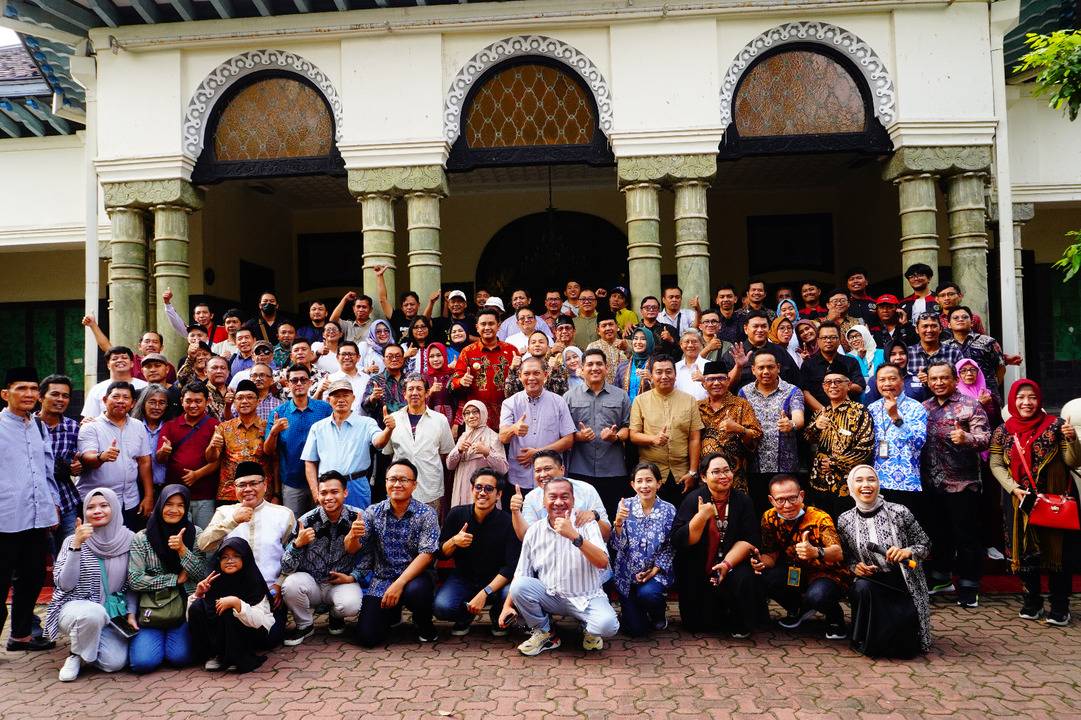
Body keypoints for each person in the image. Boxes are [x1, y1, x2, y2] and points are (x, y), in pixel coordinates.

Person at [990, 380, 1081, 625]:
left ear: (1039, 400)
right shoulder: (1003, 431)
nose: (1026, 402)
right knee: (1024, 552)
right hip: (1019, 501)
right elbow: (996, 464)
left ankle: (1060, 606)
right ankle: (1032, 601)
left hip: (1054, 499)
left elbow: (1073, 462)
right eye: (1020, 398)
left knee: (1057, 553)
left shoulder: (1057, 426)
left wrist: (1073, 440)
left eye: (1031, 397)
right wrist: (1013, 488)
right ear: (1012, 400)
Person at [499, 477, 619, 655]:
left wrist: (574, 536)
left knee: (607, 626)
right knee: (519, 586)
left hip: (586, 597)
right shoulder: (534, 530)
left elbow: (603, 562)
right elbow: (521, 573)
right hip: (550, 595)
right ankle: (545, 633)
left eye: (564, 497)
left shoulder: (587, 524)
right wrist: (507, 606)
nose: (558, 502)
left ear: (573, 500)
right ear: (543, 501)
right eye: (552, 497)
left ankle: (589, 630)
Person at [837, 465, 932, 657]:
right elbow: (845, 556)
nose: (866, 485)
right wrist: (855, 567)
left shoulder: (899, 512)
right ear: (850, 486)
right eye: (859, 480)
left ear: (879, 484)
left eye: (871, 479)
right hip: (873, 584)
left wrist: (906, 551)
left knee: (905, 648)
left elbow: (925, 544)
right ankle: (862, 636)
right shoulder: (844, 520)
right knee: (861, 588)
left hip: (903, 583)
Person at [346, 458, 440, 646]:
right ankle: (392, 614)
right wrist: (352, 536)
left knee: (417, 592)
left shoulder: (426, 513)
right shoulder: (373, 512)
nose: (397, 484)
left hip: (415, 577)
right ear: (386, 482)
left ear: (414, 485)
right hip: (383, 578)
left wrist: (399, 584)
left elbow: (427, 554)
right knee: (366, 638)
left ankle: (423, 622)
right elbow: (352, 549)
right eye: (392, 479)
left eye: (404, 480)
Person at [196, 461, 295, 637]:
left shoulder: (283, 514)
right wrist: (233, 521)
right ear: (234, 488)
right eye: (242, 485)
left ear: (265, 484)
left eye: (254, 483)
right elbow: (203, 544)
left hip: (269, 594)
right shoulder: (224, 512)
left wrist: (280, 582)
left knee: (270, 637)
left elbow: (294, 553)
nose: (248, 489)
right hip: (231, 593)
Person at [45, 488, 134, 681]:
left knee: (114, 663)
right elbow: (64, 584)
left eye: (104, 505)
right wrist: (77, 545)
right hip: (75, 608)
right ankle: (75, 655)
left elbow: (133, 584)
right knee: (93, 613)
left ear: (115, 507)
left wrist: (131, 612)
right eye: (91, 507)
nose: (97, 511)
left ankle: (86, 642)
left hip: (112, 614)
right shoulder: (72, 540)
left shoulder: (129, 540)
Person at [921, 361, 990, 607]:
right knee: (938, 534)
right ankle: (941, 577)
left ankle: (969, 585)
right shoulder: (924, 407)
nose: (938, 382)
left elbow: (985, 438)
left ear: (955, 380)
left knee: (966, 537)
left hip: (963, 483)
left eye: (944, 378)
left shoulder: (971, 405)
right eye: (934, 378)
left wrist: (966, 437)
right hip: (932, 484)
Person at [1, 367, 59, 652]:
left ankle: (21, 635)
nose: (29, 394)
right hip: (5, 518)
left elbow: (46, 469)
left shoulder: (38, 426)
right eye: (21, 388)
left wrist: (53, 503)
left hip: (37, 517)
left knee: (33, 575)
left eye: (34, 389)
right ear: (5, 394)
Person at [670, 454, 760, 638]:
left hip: (732, 563)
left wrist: (726, 564)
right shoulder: (693, 499)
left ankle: (740, 620)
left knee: (745, 577)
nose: (723, 476)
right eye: (716, 472)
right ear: (704, 477)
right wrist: (701, 517)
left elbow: (749, 539)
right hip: (700, 567)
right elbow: (679, 541)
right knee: (698, 625)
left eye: (727, 470)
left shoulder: (742, 501)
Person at [754, 474, 849, 640]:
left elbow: (837, 553)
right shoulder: (769, 517)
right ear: (771, 500)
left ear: (802, 496)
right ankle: (798, 609)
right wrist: (758, 562)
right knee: (763, 577)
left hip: (826, 573)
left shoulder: (820, 517)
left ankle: (835, 617)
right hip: (795, 571)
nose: (787, 505)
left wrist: (816, 552)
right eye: (780, 500)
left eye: (792, 498)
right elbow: (771, 555)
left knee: (818, 596)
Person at [126, 485, 209, 673]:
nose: (174, 509)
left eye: (180, 505)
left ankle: (171, 643)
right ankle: (157, 643)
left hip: (183, 608)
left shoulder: (195, 533)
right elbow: (135, 580)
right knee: (142, 663)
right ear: (160, 504)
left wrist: (182, 550)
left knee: (180, 657)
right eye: (169, 504)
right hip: (153, 609)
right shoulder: (142, 538)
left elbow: (200, 575)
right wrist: (174, 580)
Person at [434, 468, 521, 637]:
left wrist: (484, 593)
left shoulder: (508, 521)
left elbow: (511, 567)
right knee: (442, 607)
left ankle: (498, 615)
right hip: (463, 577)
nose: (482, 492)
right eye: (478, 487)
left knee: (513, 593)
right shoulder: (456, 514)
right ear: (472, 489)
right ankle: (466, 614)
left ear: (498, 494)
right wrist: (454, 541)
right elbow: (441, 554)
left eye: (489, 489)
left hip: (497, 581)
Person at [280, 472, 363, 645]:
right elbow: (286, 567)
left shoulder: (358, 518)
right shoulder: (306, 521)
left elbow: (369, 556)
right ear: (317, 495)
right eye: (323, 493)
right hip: (312, 583)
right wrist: (297, 545)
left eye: (334, 492)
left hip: (341, 582)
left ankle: (335, 615)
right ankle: (305, 624)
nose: (329, 497)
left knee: (352, 604)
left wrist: (353, 576)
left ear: (345, 493)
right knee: (290, 585)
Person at [188, 536, 274, 673]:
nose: (229, 561)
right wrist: (198, 594)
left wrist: (237, 603)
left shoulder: (253, 581)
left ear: (244, 558)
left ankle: (238, 657)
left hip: (253, 633)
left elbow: (259, 622)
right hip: (222, 635)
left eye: (236, 556)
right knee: (197, 606)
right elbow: (191, 618)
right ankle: (215, 655)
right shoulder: (215, 582)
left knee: (229, 610)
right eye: (224, 557)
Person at [610, 462, 676, 636]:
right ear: (633, 485)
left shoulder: (669, 510)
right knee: (636, 630)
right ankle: (634, 612)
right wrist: (618, 523)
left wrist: (655, 570)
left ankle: (657, 613)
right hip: (627, 574)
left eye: (649, 480)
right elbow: (617, 546)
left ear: (658, 483)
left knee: (649, 595)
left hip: (654, 572)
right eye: (639, 481)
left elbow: (670, 546)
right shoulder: (625, 506)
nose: (644, 486)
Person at [78, 381, 155, 529]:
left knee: (127, 540)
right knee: (97, 541)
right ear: (105, 400)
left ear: (132, 403)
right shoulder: (90, 427)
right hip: (97, 503)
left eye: (126, 397)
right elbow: (86, 458)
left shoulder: (138, 426)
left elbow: (144, 462)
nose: (120, 401)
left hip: (130, 500)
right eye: (116, 396)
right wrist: (101, 457)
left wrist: (148, 496)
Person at [375, 374, 455, 515]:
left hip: (430, 489)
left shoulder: (440, 420)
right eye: (410, 389)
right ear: (404, 394)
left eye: (419, 389)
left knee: (430, 526)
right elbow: (388, 453)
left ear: (427, 393)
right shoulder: (393, 419)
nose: (415, 393)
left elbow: (446, 453)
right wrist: (388, 429)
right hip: (399, 489)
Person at [630, 354, 703, 507]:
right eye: (659, 372)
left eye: (669, 372)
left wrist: (692, 472)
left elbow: (694, 438)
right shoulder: (640, 401)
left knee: (682, 516)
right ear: (651, 375)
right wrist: (653, 439)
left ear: (675, 375)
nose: (664, 376)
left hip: (682, 473)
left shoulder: (689, 401)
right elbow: (633, 435)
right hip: (651, 475)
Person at [565, 348, 631, 517]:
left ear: (606, 368)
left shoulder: (621, 396)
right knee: (580, 518)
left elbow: (627, 427)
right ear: (582, 368)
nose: (595, 368)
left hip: (613, 470)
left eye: (599, 364)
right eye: (590, 364)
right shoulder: (569, 397)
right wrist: (578, 436)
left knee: (611, 516)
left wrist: (615, 437)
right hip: (580, 469)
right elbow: (563, 432)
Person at [739, 349, 805, 514]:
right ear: (753, 370)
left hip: (785, 467)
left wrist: (791, 424)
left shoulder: (792, 391)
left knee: (787, 511)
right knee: (759, 511)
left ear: (778, 368)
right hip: (755, 466)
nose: (766, 371)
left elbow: (799, 417)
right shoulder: (744, 393)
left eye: (770, 367)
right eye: (761, 368)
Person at [498, 356, 576, 493]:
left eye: (536, 373)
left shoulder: (558, 402)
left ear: (545, 375)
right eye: (526, 374)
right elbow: (503, 438)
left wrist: (538, 453)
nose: (531, 378)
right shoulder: (510, 403)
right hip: (520, 477)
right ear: (520, 376)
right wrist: (513, 429)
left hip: (551, 478)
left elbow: (569, 440)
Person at [264, 364, 333, 517]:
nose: (299, 383)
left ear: (310, 383)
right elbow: (268, 451)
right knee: (294, 524)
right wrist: (274, 432)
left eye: (303, 380)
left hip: (322, 479)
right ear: (288, 384)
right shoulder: (279, 412)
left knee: (322, 522)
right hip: (292, 482)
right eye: (294, 380)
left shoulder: (324, 409)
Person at [302, 379, 382, 510]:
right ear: (329, 400)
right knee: (328, 522)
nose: (341, 400)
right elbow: (310, 462)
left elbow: (379, 442)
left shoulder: (367, 423)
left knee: (359, 521)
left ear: (353, 398)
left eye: (345, 395)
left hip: (356, 485)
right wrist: (316, 492)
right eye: (336, 396)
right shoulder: (318, 427)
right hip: (328, 487)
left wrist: (389, 430)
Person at [803, 372, 874, 518]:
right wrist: (816, 426)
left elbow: (866, 447)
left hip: (846, 484)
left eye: (838, 381)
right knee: (823, 523)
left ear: (849, 385)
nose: (832, 385)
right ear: (823, 387)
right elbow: (807, 439)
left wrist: (835, 462)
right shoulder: (821, 412)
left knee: (846, 523)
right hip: (819, 482)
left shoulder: (860, 411)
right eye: (828, 382)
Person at [867, 364, 928, 520]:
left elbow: (918, 443)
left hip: (905, 481)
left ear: (902, 381)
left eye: (892, 379)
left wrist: (896, 417)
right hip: (877, 481)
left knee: (905, 528)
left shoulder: (916, 407)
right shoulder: (872, 408)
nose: (887, 384)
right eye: (882, 380)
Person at [509, 450, 611, 542]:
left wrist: (595, 517)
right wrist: (515, 511)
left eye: (547, 469)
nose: (543, 475)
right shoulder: (531, 498)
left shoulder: (586, 490)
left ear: (562, 470)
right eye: (538, 471)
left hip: (585, 550)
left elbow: (606, 535)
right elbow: (526, 537)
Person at [157, 382, 221, 529]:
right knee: (177, 533)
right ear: (181, 401)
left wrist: (197, 475)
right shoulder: (170, 426)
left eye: (198, 401)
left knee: (204, 536)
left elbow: (218, 461)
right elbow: (160, 459)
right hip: (176, 496)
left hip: (205, 495)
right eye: (188, 401)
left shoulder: (215, 425)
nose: (193, 405)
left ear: (207, 401)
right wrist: (164, 452)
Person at [697, 358, 761, 495]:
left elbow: (756, 434)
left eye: (721, 378)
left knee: (737, 506)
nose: (716, 383)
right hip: (706, 477)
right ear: (703, 383)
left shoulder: (741, 404)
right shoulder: (697, 407)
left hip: (735, 476)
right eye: (711, 379)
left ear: (728, 380)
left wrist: (740, 429)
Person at [35, 373, 83, 555]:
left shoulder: (74, 427)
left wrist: (78, 468)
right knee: (39, 556)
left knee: (70, 552)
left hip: (66, 500)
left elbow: (80, 460)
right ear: (40, 397)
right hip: (36, 502)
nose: (60, 399)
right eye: (55, 394)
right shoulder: (28, 426)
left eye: (65, 396)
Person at [450, 309, 518, 431]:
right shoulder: (467, 352)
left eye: (491, 323)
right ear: (477, 327)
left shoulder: (511, 350)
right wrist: (461, 381)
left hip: (506, 415)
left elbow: (521, 383)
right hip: (476, 416)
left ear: (498, 326)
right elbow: (454, 381)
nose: (487, 327)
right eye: (483, 324)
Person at [206, 380, 269, 505]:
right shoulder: (224, 427)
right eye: (240, 398)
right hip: (229, 493)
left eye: (249, 397)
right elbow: (211, 458)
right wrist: (213, 446)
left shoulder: (267, 427)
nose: (244, 401)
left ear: (258, 401)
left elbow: (275, 461)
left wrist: (277, 493)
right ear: (234, 402)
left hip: (260, 493)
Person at [447, 400, 509, 507]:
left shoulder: (493, 437)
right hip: (462, 490)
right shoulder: (463, 437)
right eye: (467, 413)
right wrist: (459, 450)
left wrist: (487, 452)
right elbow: (450, 465)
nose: (471, 416)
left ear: (483, 413)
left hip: (483, 491)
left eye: (475, 412)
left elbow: (503, 469)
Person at [725, 310, 800, 392]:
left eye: (764, 326)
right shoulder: (734, 353)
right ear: (746, 329)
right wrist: (738, 367)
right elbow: (725, 386)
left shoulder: (780, 351)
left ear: (769, 328)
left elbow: (797, 382)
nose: (760, 330)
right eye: (755, 326)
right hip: (743, 399)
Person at [944, 306, 1006, 403]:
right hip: (956, 399)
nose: (960, 319)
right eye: (955, 318)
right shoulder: (944, 346)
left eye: (965, 317)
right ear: (949, 325)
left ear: (972, 322)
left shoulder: (988, 341)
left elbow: (1001, 367)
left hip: (988, 396)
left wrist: (992, 385)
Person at [800, 322, 865, 414]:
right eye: (824, 338)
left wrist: (840, 385)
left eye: (833, 337)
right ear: (818, 340)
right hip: (819, 414)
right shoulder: (808, 365)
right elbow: (805, 393)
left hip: (849, 413)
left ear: (839, 340)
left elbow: (859, 386)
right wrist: (826, 413)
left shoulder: (851, 362)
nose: (828, 341)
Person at [80, 346, 148, 418]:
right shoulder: (97, 389)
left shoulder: (145, 387)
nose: (120, 360)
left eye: (124, 358)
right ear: (108, 365)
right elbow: (90, 417)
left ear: (132, 363)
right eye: (115, 358)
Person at [907, 313, 963, 386]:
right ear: (917, 329)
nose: (929, 330)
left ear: (940, 329)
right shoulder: (907, 353)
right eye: (925, 326)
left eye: (934, 326)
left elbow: (962, 381)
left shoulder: (954, 353)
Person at [132, 383, 170, 489]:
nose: (156, 407)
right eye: (152, 402)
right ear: (143, 404)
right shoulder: (132, 427)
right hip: (136, 487)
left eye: (162, 403)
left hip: (165, 486)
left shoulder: (171, 428)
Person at [586, 311, 629, 383]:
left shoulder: (628, 344)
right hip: (601, 388)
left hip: (625, 388)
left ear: (617, 326)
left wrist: (627, 349)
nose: (608, 328)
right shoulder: (592, 347)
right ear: (598, 330)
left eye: (611, 324)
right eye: (604, 326)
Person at [615, 327, 654, 402]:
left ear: (649, 342)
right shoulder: (623, 366)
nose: (638, 342)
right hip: (627, 409)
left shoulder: (655, 365)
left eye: (643, 339)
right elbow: (616, 392)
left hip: (649, 408)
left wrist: (652, 379)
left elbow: (665, 391)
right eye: (635, 339)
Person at [423, 343, 456, 428]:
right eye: (431, 356)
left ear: (444, 355)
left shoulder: (452, 374)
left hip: (453, 421)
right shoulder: (424, 377)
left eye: (439, 355)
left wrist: (457, 424)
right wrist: (430, 391)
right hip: (430, 423)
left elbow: (461, 399)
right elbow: (419, 403)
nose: (435, 359)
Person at [636, 296, 678, 360]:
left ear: (658, 310)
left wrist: (671, 340)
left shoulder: (669, 329)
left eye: (654, 307)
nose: (651, 310)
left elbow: (680, 351)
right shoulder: (633, 329)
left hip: (663, 364)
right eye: (647, 308)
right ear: (641, 310)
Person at [674, 329, 707, 400]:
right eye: (687, 342)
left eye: (694, 342)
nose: (690, 345)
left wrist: (704, 380)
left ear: (701, 344)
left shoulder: (709, 365)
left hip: (703, 406)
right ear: (681, 345)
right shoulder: (675, 367)